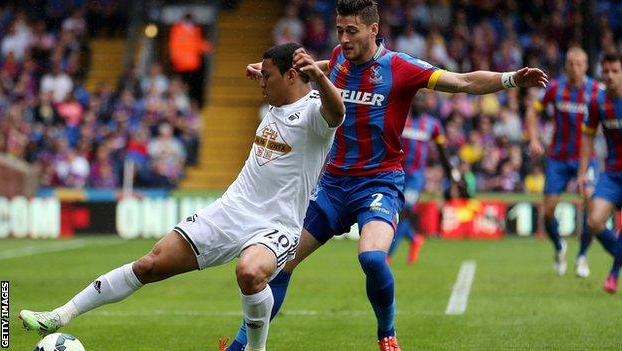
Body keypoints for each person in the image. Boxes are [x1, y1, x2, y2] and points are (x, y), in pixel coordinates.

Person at [230, 1, 547, 350]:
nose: (344, 38)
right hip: (333, 184)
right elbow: (319, 66)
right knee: (280, 265)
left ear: (373, 30)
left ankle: (387, 333)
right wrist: (272, 69)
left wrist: (510, 79)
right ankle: (241, 344)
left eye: (351, 31)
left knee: (372, 257)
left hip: (378, 183)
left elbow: (462, 81)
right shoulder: (337, 58)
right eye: (339, 30)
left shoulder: (400, 67)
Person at [18, 42, 345, 351]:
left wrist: (315, 74)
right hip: (231, 210)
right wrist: (270, 69)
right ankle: (59, 315)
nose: (261, 83)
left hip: (277, 223)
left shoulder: (316, 113)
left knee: (250, 272)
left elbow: (337, 112)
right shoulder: (279, 97)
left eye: (267, 77)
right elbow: (303, 71)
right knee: (149, 265)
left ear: (290, 76)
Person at [526, 47, 601, 277]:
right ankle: (560, 247)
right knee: (547, 212)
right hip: (558, 159)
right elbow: (533, 111)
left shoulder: (596, 90)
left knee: (591, 205)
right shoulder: (555, 88)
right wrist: (534, 138)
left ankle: (582, 256)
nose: (574, 67)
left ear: (586, 66)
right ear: (565, 65)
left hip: (586, 159)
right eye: (570, 63)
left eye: (579, 63)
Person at [387, 93, 455, 265]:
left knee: (404, 213)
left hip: (416, 178)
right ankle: (414, 238)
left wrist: (452, 174)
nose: (417, 103)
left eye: (421, 101)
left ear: (426, 104)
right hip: (396, 174)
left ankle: (387, 255)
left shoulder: (433, 125)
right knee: (394, 213)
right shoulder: (401, 118)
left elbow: (442, 151)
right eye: (415, 99)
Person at [579, 52, 622, 294]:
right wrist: (583, 172)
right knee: (594, 221)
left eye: (615, 71)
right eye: (606, 72)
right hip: (612, 172)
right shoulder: (597, 102)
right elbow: (587, 136)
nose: (611, 76)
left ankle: (614, 274)